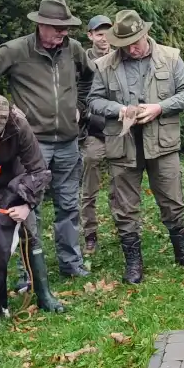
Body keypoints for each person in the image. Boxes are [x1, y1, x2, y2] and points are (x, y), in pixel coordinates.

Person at [0, 0, 94, 279]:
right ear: (41, 25)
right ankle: (29, 274)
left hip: (68, 141)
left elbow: (88, 77)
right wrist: (5, 111)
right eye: (58, 28)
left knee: (68, 204)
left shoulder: (73, 49)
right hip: (31, 145)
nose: (63, 33)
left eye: (66, 28)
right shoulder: (16, 50)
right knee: (26, 210)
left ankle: (71, 264)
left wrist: (80, 106)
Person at [86, 10, 184, 283]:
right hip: (122, 144)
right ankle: (133, 263)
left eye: (135, 42)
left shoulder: (170, 57)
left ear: (145, 33)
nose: (131, 49)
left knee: (173, 199)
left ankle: (183, 252)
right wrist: (119, 110)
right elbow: (93, 101)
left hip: (162, 142)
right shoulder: (104, 65)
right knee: (125, 206)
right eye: (125, 45)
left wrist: (159, 108)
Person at [0, 93, 62, 313]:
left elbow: (39, 171)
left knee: (31, 233)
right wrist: (2, 205)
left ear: (6, 120)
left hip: (15, 178)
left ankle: (44, 295)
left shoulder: (19, 125)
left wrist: (28, 205)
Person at [80, 14, 113, 255]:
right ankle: (90, 233)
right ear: (90, 35)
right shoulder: (82, 60)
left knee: (121, 185)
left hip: (119, 130)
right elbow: (75, 93)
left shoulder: (120, 56)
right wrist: (85, 115)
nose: (104, 38)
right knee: (89, 187)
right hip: (92, 132)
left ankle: (124, 227)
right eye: (99, 34)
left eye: (107, 33)